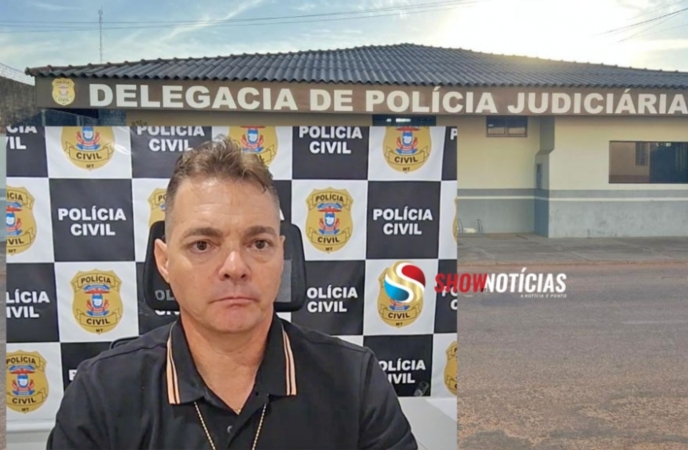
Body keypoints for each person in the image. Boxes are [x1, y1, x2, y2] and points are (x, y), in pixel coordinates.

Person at [47, 137, 418, 450]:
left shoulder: (355, 380)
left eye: (258, 243)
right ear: (164, 261)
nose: (235, 266)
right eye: (202, 245)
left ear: (282, 256)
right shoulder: (101, 392)